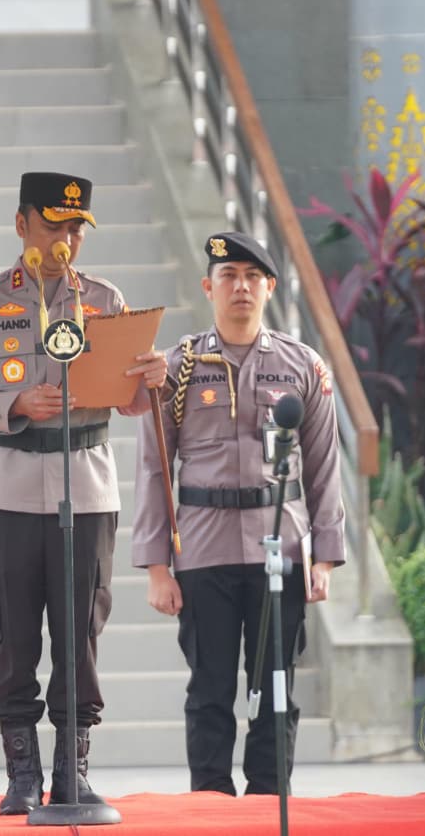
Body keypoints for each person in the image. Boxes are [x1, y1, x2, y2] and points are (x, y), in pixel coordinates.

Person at [0, 171, 168, 815]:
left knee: (80, 633)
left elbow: (128, 400)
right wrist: (16, 401)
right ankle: (20, 775)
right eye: (53, 227)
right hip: (10, 487)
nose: (66, 241)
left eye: (76, 229)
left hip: (87, 485)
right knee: (14, 633)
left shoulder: (103, 298)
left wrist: (148, 379)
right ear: (21, 226)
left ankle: (73, 772)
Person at [131, 231, 345, 796]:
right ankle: (209, 801)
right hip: (203, 549)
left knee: (276, 684)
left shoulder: (302, 365)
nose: (241, 287)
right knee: (209, 687)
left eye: (253, 277)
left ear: (270, 287)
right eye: (229, 277)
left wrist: (325, 556)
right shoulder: (178, 365)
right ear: (209, 287)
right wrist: (156, 567)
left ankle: (269, 797)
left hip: (283, 548)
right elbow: (154, 466)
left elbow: (324, 464)